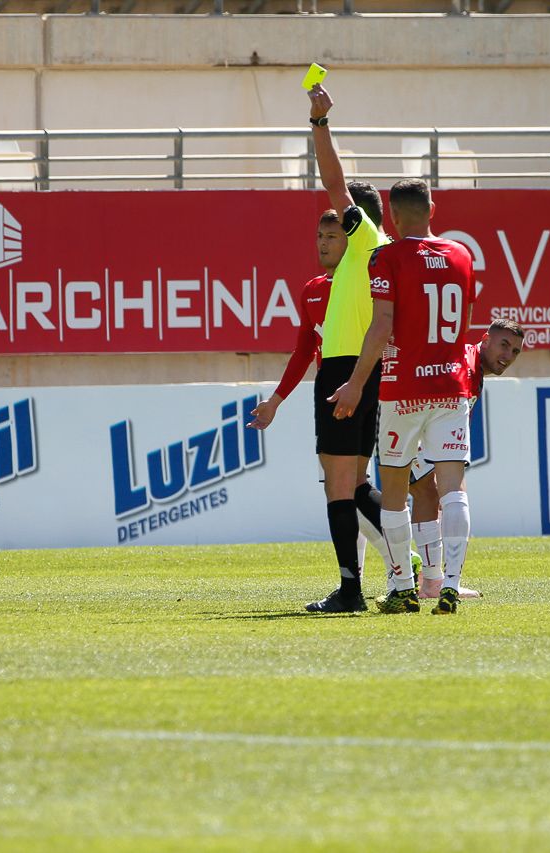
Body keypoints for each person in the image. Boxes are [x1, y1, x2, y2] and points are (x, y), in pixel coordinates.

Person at [249, 83, 392, 614]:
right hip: (363, 370)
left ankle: (351, 588)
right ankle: (419, 567)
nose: (334, 225)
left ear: (361, 222)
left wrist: (319, 123)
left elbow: (333, 181)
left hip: (344, 371)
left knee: (338, 487)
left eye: (341, 221)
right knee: (356, 483)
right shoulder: (372, 259)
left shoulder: (366, 240)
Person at [330, 177, 477, 615]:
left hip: (403, 389)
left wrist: (356, 381)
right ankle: (450, 583)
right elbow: (464, 322)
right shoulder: (462, 256)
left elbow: (382, 326)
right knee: (452, 488)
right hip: (450, 386)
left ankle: (402, 587)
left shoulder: (387, 256)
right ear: (433, 207)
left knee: (395, 487)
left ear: (392, 215)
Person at [410, 318, 524, 600]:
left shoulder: (470, 363)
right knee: (452, 492)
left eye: (515, 352)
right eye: (504, 345)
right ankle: (446, 582)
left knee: (425, 494)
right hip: (412, 415)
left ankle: (431, 582)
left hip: (407, 416)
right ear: (485, 339)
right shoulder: (466, 365)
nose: (508, 356)